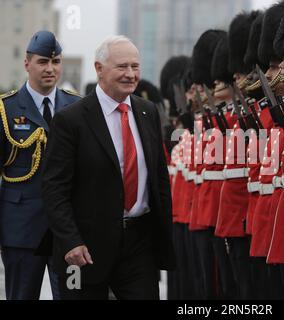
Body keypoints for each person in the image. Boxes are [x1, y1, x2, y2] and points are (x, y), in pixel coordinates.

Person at [42, 35, 175, 300]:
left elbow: (158, 179)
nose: (130, 74)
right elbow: (54, 188)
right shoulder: (71, 120)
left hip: (139, 245)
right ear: (99, 69)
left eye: (135, 67)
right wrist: (70, 241)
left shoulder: (148, 112)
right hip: (85, 249)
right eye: (122, 67)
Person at [0, 30, 81, 300]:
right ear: (27, 64)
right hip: (21, 231)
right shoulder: (7, 110)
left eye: (56, 62)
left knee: (73, 297)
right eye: (42, 62)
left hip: (69, 234)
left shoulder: (77, 107)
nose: (50, 69)